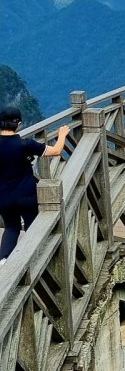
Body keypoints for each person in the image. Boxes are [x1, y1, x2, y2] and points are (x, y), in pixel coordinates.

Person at [0, 109, 69, 262]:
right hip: (26, 195)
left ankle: (3, 260)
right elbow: (56, 151)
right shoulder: (25, 144)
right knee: (32, 226)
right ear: (18, 123)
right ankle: (35, 261)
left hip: (3, 197)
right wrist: (62, 134)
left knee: (11, 227)